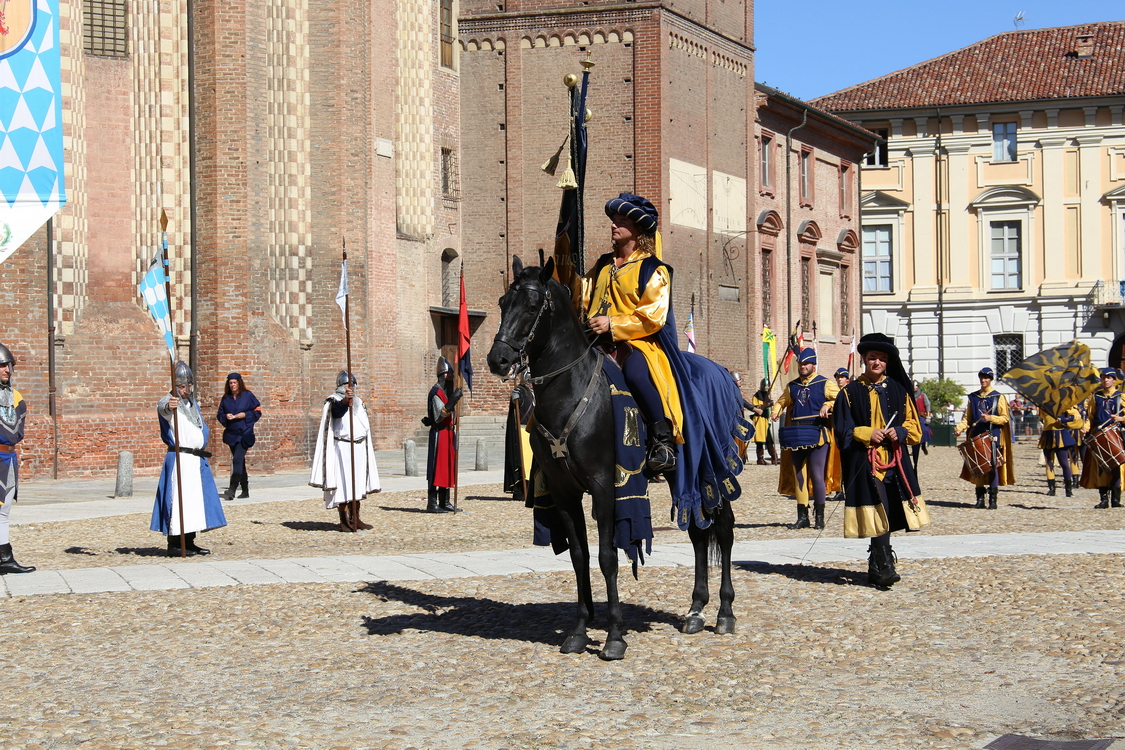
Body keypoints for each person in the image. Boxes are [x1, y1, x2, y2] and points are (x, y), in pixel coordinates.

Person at [556, 192, 679, 473]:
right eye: (614, 220)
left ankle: (662, 440)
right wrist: (563, 278)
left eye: (621, 221)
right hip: (596, 340)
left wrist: (613, 324)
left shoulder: (653, 269)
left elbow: (652, 317)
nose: (614, 225)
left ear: (637, 229)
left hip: (638, 342)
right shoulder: (602, 265)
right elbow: (582, 298)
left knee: (635, 373)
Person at [834, 333, 930, 589]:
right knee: (879, 509)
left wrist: (899, 431)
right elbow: (842, 430)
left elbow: (914, 426)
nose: (877, 363)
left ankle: (877, 565)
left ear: (888, 362)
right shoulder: (848, 393)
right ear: (864, 359)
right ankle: (884, 564)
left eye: (882, 359)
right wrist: (866, 432)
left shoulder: (899, 390)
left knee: (888, 510)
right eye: (873, 358)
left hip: (895, 463)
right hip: (865, 462)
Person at [150, 361, 228, 556]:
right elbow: (163, 408)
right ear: (176, 386)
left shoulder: (192, 404)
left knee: (194, 501)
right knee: (178, 500)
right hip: (180, 459)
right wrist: (169, 404)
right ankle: (175, 543)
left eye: (189, 385)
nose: (187, 389)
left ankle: (190, 540)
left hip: (195, 460)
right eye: (183, 386)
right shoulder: (171, 402)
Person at [772, 348, 840, 530]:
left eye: (806, 364)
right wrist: (776, 410)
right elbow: (782, 400)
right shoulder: (792, 386)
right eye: (801, 364)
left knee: (817, 475)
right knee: (799, 476)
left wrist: (828, 404)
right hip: (796, 436)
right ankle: (802, 516)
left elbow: (841, 399)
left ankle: (819, 516)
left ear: (813, 365)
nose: (803, 367)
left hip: (818, 434)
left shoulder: (825, 383)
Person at [309, 371, 381, 530]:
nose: (351, 387)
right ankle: (343, 520)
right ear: (341, 385)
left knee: (357, 482)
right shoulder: (333, 400)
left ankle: (356, 517)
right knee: (343, 483)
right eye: (348, 385)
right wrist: (344, 402)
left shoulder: (359, 401)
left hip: (359, 447)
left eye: (353, 385)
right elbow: (337, 413)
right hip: (342, 447)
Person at [954, 367, 1015, 509]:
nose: (983, 380)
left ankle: (993, 500)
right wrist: (960, 428)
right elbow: (967, 418)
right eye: (981, 377)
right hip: (976, 436)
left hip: (992, 436)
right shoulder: (973, 397)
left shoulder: (998, 397)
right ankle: (980, 499)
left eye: (986, 378)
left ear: (991, 379)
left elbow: (1005, 418)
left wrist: (990, 418)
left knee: (993, 467)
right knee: (978, 468)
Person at [0, 344, 33, 574]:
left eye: (8, 365)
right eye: (2, 365)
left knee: (4, 510)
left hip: (9, 457)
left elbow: (16, 431)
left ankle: (4, 558)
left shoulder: (17, 397)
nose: (7, 370)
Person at [1080, 368, 1124, 509]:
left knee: (1116, 464)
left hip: (1115, 433)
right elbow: (1091, 416)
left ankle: (1116, 500)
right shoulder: (1096, 396)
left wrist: (1121, 418)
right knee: (1102, 467)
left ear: (1114, 380)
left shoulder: (1121, 396)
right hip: (1098, 434)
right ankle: (1103, 499)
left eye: (1109, 377)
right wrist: (1085, 428)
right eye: (1104, 377)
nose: (1106, 380)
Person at [216, 372, 261, 500]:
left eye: (235, 382)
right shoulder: (226, 398)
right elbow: (219, 414)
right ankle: (245, 489)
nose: (233, 385)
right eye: (230, 383)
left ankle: (232, 489)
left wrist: (245, 415)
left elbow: (257, 411)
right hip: (232, 434)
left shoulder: (247, 395)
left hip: (245, 433)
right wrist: (226, 416)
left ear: (239, 383)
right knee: (239, 462)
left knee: (237, 459)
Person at [427, 358, 462, 513]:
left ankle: (445, 501)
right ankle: (432, 503)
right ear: (443, 374)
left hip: (448, 434)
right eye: (450, 374)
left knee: (447, 467)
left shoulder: (445, 393)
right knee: (436, 468)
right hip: (439, 433)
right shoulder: (436, 393)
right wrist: (453, 400)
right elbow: (439, 416)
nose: (451, 377)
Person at [1040, 405, 1084, 497]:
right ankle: (1052, 489)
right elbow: (1042, 416)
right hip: (1048, 434)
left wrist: (1064, 420)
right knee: (1049, 463)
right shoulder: (1043, 404)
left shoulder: (1063, 403)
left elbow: (1076, 416)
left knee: (1064, 463)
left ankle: (1068, 490)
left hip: (1060, 434)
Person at [749, 378, 778, 465]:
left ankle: (774, 458)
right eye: (765, 386)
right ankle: (760, 459)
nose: (767, 388)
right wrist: (765, 405)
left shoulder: (767, 395)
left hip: (765, 420)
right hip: (759, 419)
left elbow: (768, 403)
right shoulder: (756, 396)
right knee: (760, 440)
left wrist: (770, 403)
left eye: (768, 386)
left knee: (769, 439)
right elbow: (756, 407)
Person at [911, 379, 932, 471]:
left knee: (925, 430)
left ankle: (923, 445)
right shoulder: (909, 395)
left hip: (922, 415)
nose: (914, 387)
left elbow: (928, 405)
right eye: (913, 386)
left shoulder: (923, 395)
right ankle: (914, 446)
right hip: (912, 417)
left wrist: (928, 417)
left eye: (916, 386)